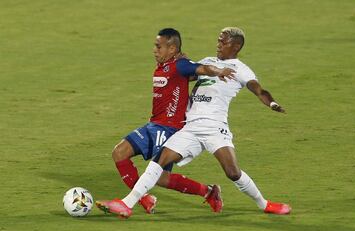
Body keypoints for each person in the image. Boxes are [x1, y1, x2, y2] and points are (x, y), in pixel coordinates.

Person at [97, 27, 291, 219]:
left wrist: (272, 103)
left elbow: (258, 90)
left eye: (223, 42)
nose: (218, 44)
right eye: (218, 40)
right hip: (189, 127)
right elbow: (193, 72)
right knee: (160, 160)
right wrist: (182, 63)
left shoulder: (241, 70)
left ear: (236, 46)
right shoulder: (208, 61)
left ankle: (265, 204)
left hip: (214, 126)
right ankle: (126, 204)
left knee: (232, 172)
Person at [101, 28, 235, 214]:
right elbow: (192, 75)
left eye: (159, 46)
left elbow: (202, 68)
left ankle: (134, 202)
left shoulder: (180, 65)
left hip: (168, 129)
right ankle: (205, 192)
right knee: (125, 156)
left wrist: (218, 70)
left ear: (172, 49)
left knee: (153, 173)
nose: (154, 50)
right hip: (154, 125)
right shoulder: (167, 66)